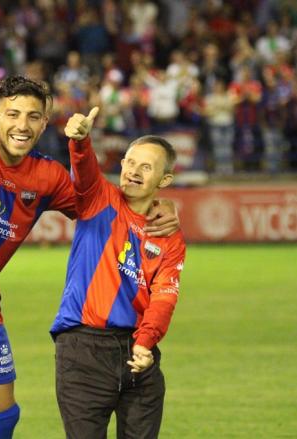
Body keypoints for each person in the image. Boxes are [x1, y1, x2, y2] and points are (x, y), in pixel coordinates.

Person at [0, 71, 180, 439]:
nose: (22, 125)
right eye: (12, 114)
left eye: (33, 117)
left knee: (3, 418)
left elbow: (103, 205)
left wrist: (157, 203)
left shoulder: (48, 176)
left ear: (45, 123)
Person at [51, 107, 186, 438]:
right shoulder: (99, 199)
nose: (134, 171)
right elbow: (84, 171)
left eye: (146, 166)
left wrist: (145, 343)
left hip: (139, 354)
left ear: (164, 180)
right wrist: (80, 140)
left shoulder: (169, 236)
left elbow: (164, 297)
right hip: (84, 350)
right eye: (129, 162)